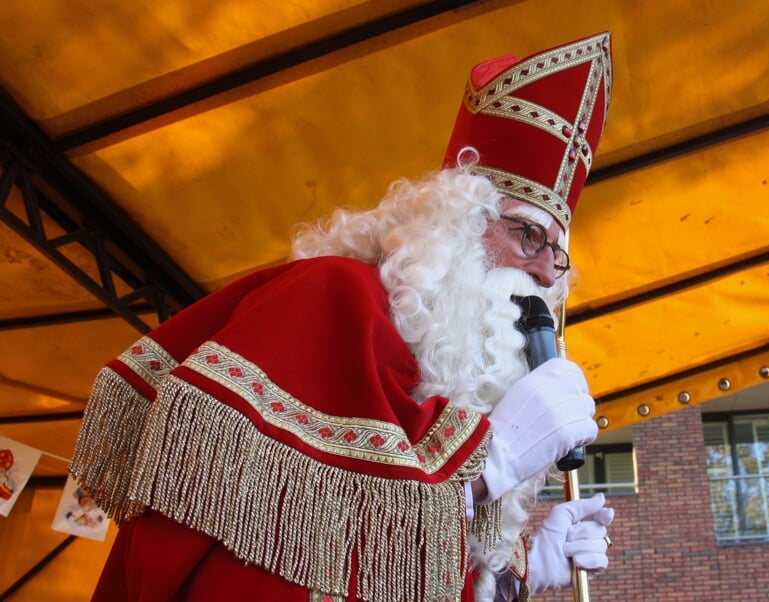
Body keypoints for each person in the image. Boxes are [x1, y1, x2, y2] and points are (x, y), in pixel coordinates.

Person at [70, 32, 613, 602]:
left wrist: (511, 572)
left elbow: (370, 562)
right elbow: (270, 550)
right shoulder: (329, 297)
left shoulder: (438, 384)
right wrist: (487, 463)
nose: (549, 275)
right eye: (528, 235)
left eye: (558, 253)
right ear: (456, 224)